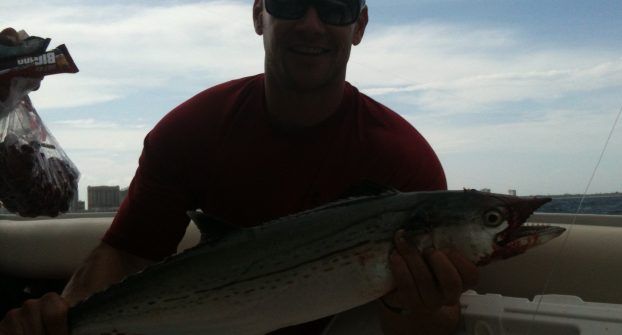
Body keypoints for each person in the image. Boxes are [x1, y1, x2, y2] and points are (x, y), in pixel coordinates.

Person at [0, 0, 479, 334]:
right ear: (258, 13)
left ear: (359, 25)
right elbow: (125, 254)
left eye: (335, 8)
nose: (312, 24)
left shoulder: (404, 161)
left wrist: (418, 306)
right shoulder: (193, 129)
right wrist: (62, 318)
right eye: (291, 2)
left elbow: (421, 326)